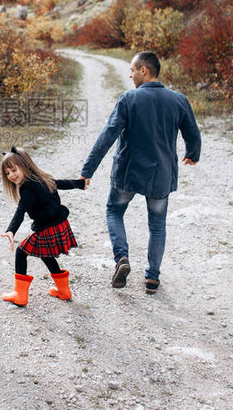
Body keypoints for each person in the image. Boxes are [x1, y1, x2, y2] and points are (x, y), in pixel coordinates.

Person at [79, 51, 201, 294]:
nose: (130, 74)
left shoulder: (129, 99)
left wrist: (87, 170)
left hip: (128, 173)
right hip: (161, 175)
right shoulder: (178, 100)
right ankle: (152, 278)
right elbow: (193, 133)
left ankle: (122, 258)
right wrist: (193, 153)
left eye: (132, 70)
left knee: (114, 211)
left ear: (144, 70)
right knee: (157, 224)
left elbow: (107, 136)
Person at [0, 146, 85, 306]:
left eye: (13, 170)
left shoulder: (27, 188)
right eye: (7, 173)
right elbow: (61, 183)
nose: (11, 175)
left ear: (24, 165)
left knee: (21, 251)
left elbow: (20, 211)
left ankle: (20, 294)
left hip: (47, 227)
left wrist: (11, 230)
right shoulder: (40, 178)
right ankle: (64, 291)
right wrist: (80, 184)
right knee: (45, 253)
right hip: (59, 224)